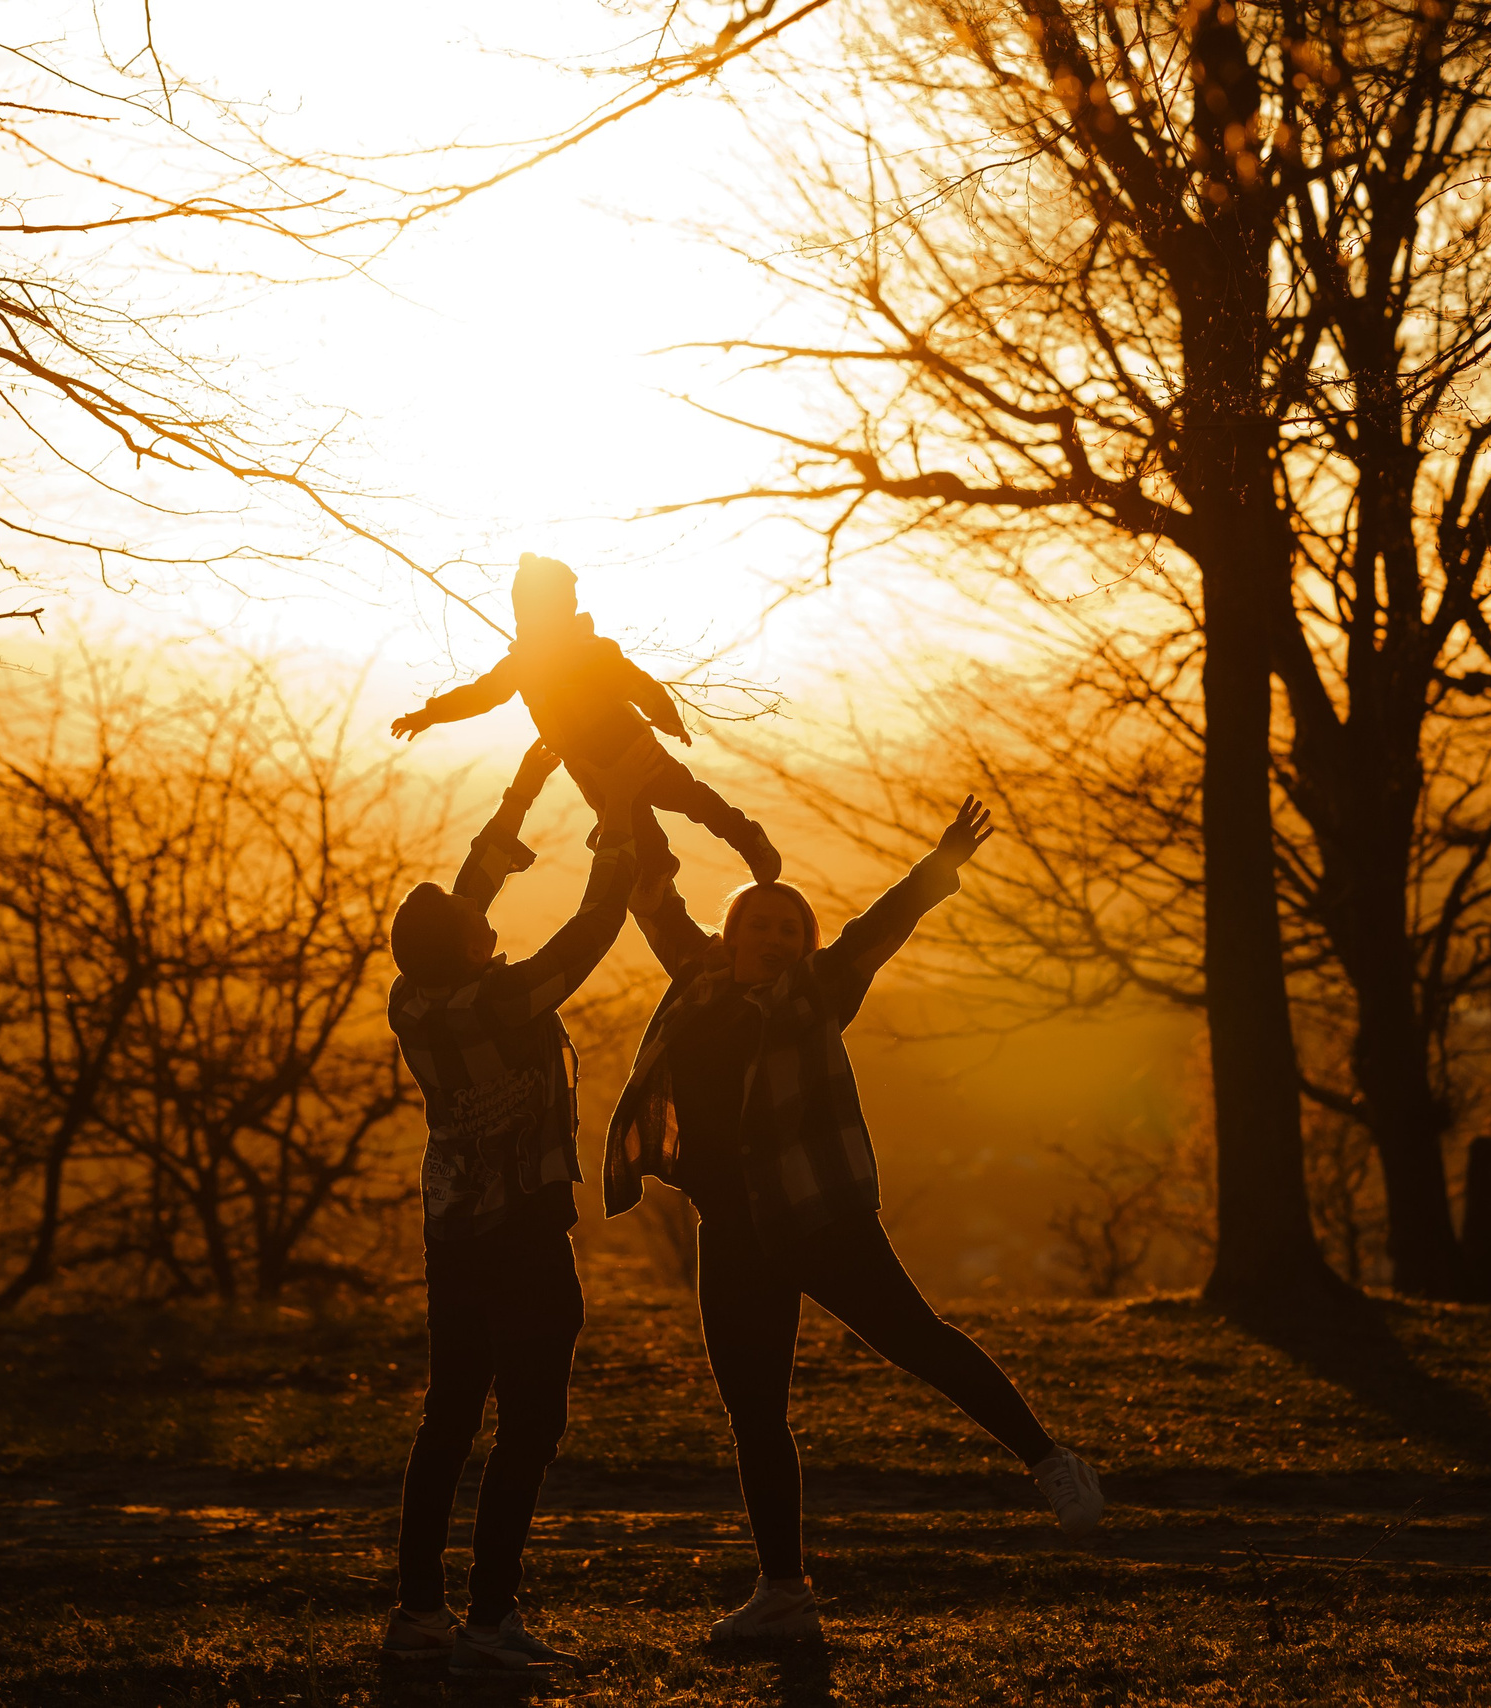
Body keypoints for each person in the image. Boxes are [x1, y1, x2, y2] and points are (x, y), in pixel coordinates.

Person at [603, 797, 1105, 1642]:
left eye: (788, 931)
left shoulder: (820, 989)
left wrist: (941, 863)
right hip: (731, 1227)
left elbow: (883, 925)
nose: (772, 938)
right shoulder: (697, 978)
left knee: (918, 1339)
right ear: (732, 934)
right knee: (755, 1412)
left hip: (816, 1213)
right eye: (757, 924)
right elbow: (654, 898)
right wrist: (612, 786)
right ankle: (784, 1592)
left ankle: (1051, 1461)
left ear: (802, 947)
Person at [377, 744, 648, 1679]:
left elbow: (467, 897)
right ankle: (491, 1624)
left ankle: (418, 1610)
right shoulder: (503, 999)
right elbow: (594, 927)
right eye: (474, 927)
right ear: (469, 948)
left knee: (448, 1417)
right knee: (529, 1424)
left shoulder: (414, 999)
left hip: (452, 1230)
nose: (483, 924)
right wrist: (616, 835)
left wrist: (527, 789)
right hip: (524, 1231)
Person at [389, 553, 782, 885]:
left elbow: (635, 683)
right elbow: (481, 695)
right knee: (634, 831)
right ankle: (656, 869)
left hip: (634, 751)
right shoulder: (522, 665)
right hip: (591, 771)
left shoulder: (589, 651)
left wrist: (664, 716)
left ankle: (746, 836)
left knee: (691, 799)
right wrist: (431, 713)